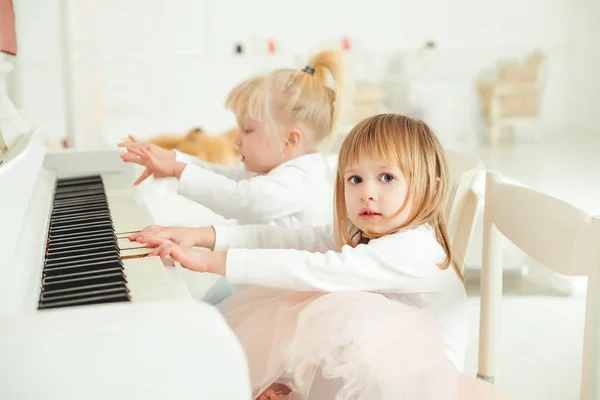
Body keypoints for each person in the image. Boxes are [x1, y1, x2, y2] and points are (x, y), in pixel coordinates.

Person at [136, 114, 509, 399]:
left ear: (430, 185)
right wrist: (206, 236)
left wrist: (213, 262)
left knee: (321, 298)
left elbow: (318, 268)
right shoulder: (376, 230)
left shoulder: (414, 248)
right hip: (369, 361)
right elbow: (296, 239)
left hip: (416, 381)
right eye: (355, 179)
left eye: (387, 178)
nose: (367, 193)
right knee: (305, 304)